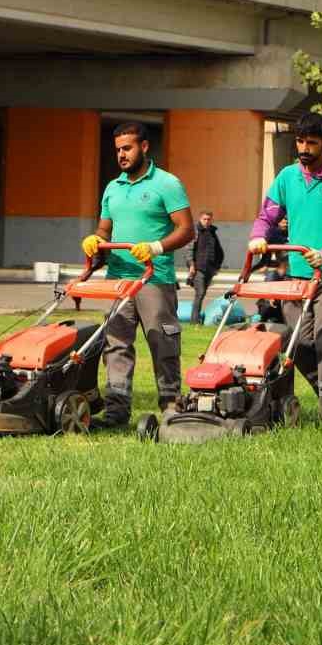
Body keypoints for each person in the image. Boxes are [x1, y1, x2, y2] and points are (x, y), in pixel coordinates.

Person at [248, 112, 322, 420]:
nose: (304, 148)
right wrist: (259, 236)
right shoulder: (287, 177)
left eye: (311, 143)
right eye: (300, 141)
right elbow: (267, 215)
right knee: (297, 342)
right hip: (298, 276)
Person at [81, 122, 195, 427]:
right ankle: (117, 411)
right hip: (119, 280)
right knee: (115, 344)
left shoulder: (167, 184)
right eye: (118, 149)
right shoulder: (112, 188)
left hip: (154, 279)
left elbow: (187, 229)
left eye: (127, 148)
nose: (121, 155)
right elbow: (105, 229)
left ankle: (171, 407)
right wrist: (96, 241)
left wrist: (156, 247)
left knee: (163, 343)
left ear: (144, 147)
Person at [187, 210, 225, 324]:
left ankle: (196, 318)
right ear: (200, 219)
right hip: (198, 268)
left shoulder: (213, 233)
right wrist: (191, 265)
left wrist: (217, 267)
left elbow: (219, 252)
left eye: (209, 219)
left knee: (202, 294)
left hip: (210, 269)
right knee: (200, 293)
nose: (207, 221)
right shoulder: (195, 232)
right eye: (204, 219)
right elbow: (189, 250)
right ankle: (194, 321)